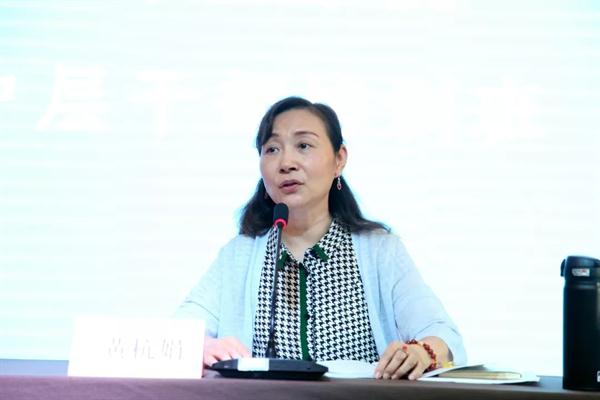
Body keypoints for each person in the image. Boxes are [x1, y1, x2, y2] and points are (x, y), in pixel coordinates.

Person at [177, 96, 466, 380]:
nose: (286, 162)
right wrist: (202, 346)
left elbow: (444, 336)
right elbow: (178, 334)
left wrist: (420, 352)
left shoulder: (380, 250)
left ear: (339, 160)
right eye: (272, 149)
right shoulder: (239, 255)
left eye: (303, 145)